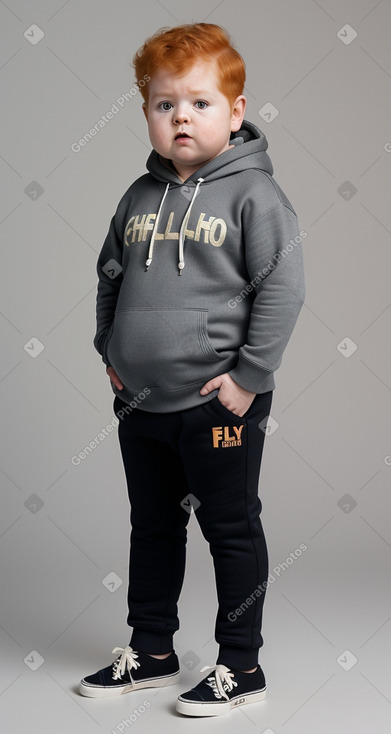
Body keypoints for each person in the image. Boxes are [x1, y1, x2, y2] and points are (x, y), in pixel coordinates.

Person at [79, 22, 305, 717]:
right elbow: (110, 276)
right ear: (145, 110)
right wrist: (110, 353)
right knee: (151, 527)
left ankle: (240, 665)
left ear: (235, 112)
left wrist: (249, 378)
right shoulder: (137, 198)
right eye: (163, 103)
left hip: (218, 404)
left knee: (230, 529)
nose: (181, 116)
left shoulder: (253, 197)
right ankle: (151, 651)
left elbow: (282, 287)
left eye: (200, 103)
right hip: (140, 403)